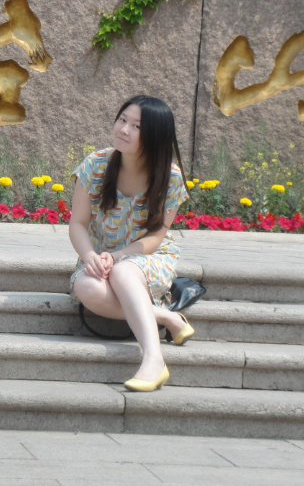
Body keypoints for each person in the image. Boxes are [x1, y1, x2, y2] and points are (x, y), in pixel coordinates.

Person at [68, 95, 193, 392]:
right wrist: (90, 256)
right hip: (100, 254)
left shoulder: (170, 178)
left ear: (154, 136)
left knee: (124, 271)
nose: (124, 129)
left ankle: (153, 359)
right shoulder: (95, 165)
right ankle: (164, 316)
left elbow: (155, 237)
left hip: (147, 256)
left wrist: (119, 255)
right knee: (85, 286)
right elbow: (78, 224)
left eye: (136, 126)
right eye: (122, 120)